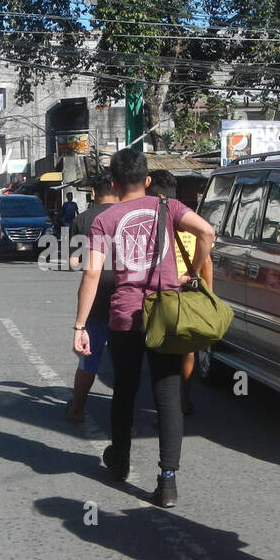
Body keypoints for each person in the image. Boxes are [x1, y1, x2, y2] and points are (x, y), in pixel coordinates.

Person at [74, 148, 215, 508]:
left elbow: (92, 273)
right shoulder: (168, 207)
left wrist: (80, 325)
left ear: (115, 183)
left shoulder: (104, 219)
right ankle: (167, 481)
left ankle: (119, 459)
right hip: (165, 316)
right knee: (167, 396)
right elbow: (208, 233)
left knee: (125, 388)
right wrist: (193, 272)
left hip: (125, 315)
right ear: (148, 180)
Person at [145, 170, 212, 415]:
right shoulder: (190, 218)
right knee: (187, 349)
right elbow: (208, 263)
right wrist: (206, 291)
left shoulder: (158, 219)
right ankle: (184, 399)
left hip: (165, 294)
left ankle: (169, 405)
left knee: (161, 351)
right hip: (189, 292)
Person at [65, 171, 118, 423]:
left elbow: (73, 262)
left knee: (89, 358)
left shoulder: (83, 219)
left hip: (95, 301)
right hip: (128, 301)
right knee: (124, 364)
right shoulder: (130, 216)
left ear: (93, 193)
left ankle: (77, 409)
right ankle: (126, 421)